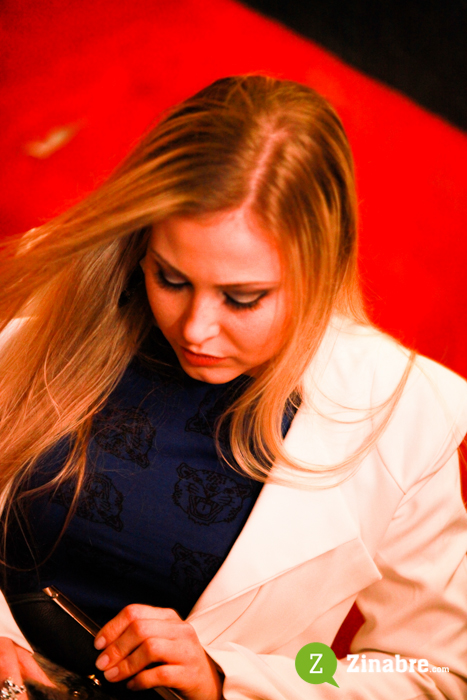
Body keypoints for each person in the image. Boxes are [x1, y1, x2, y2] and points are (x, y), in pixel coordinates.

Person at [0, 74, 466, 700]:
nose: (195, 329)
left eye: (242, 298)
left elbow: (431, 673)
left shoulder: (406, 417)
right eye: (170, 278)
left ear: (322, 269)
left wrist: (230, 679)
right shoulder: (40, 295)